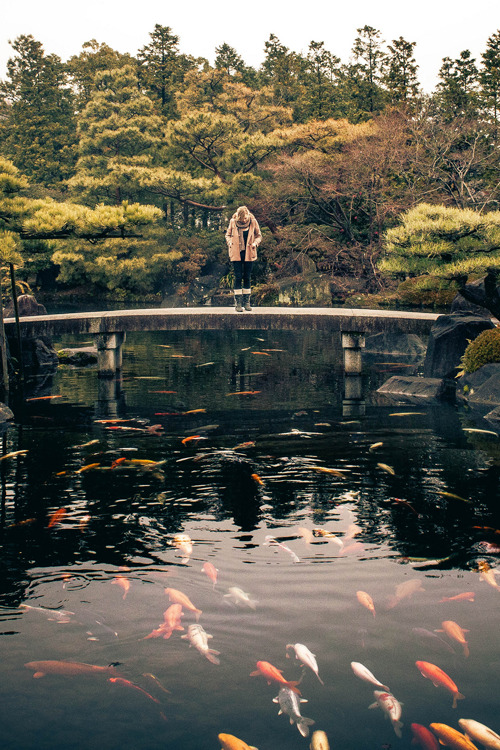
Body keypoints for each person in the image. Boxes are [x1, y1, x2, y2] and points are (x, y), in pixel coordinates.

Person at [225, 205, 261, 311]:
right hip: (236, 253)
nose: (244, 220)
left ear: (247, 214)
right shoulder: (233, 221)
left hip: (249, 252)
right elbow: (227, 235)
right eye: (242, 219)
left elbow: (259, 235)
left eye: (245, 218)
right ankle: (238, 304)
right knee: (238, 277)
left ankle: (247, 302)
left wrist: (255, 243)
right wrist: (230, 242)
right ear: (238, 217)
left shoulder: (253, 221)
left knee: (247, 277)